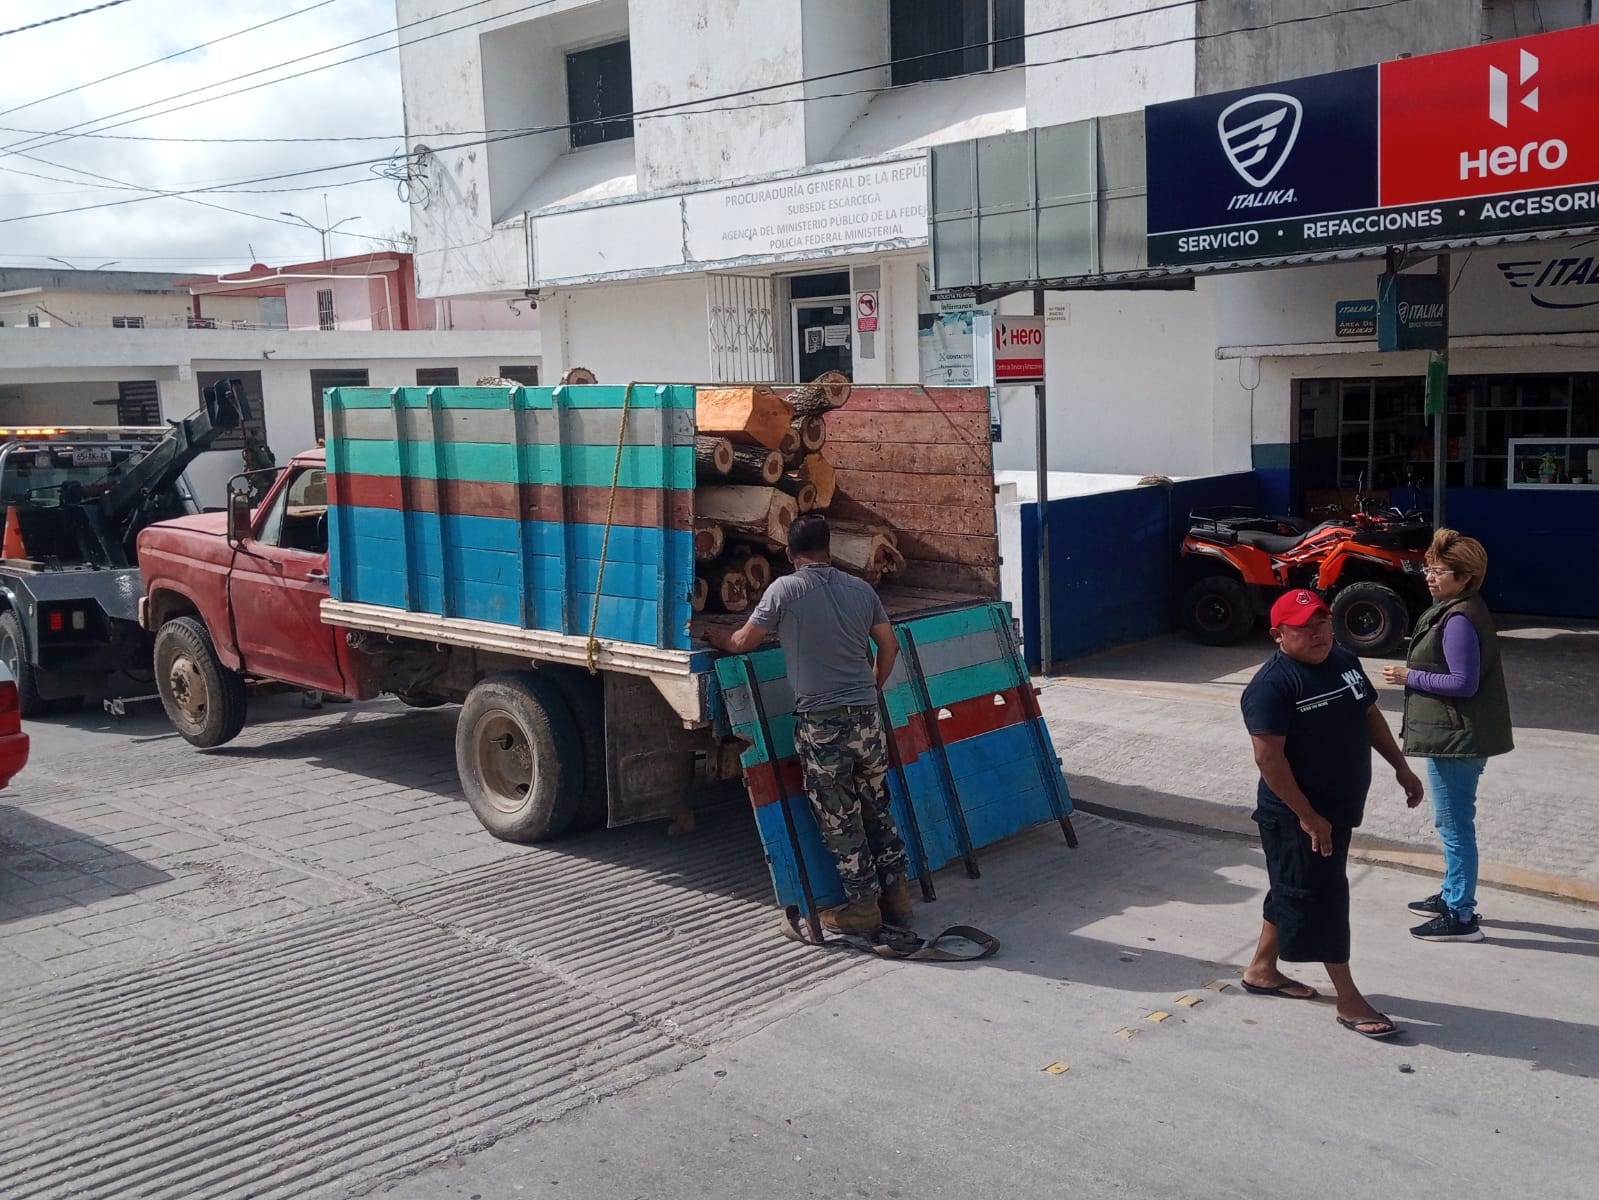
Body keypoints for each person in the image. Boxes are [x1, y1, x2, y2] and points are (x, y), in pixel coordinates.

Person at [705, 514, 911, 936]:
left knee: (839, 817)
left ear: (789, 553)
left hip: (822, 724)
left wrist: (715, 635)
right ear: (829, 548)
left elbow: (744, 641)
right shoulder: (860, 589)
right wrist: (872, 687)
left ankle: (863, 908)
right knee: (876, 803)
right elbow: (889, 646)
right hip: (867, 717)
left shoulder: (786, 589)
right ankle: (899, 897)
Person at [1239, 588, 1425, 1039]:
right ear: (1278, 634)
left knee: (1295, 886)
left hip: (1339, 807)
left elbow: (1368, 715)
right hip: (1296, 816)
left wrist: (1401, 767)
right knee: (1323, 897)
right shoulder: (1271, 687)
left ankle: (1262, 969)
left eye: (1322, 622)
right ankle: (1348, 998)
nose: (1319, 633)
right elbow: (1270, 762)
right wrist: (1306, 816)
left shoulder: (1343, 660)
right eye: (1305, 627)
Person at [1381, 529, 1513, 944]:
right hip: (1453, 736)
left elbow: (1463, 682)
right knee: (1452, 822)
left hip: (1456, 741)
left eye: (1439, 571)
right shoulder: (1456, 608)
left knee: (1454, 826)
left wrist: (1408, 675)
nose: (1430, 576)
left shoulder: (1458, 618)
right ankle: (1452, 894)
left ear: (1465, 577)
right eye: (1428, 568)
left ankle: (1461, 915)